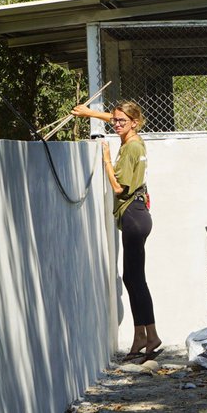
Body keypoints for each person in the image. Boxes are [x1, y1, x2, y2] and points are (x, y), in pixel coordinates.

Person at [73, 100, 162, 362]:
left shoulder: (130, 148)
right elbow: (117, 118)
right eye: (116, 120)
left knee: (136, 280)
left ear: (134, 122)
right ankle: (141, 337)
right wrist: (90, 113)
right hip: (138, 215)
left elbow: (118, 188)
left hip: (133, 216)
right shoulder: (136, 140)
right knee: (131, 279)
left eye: (123, 121)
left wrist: (107, 160)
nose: (117, 124)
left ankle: (151, 335)